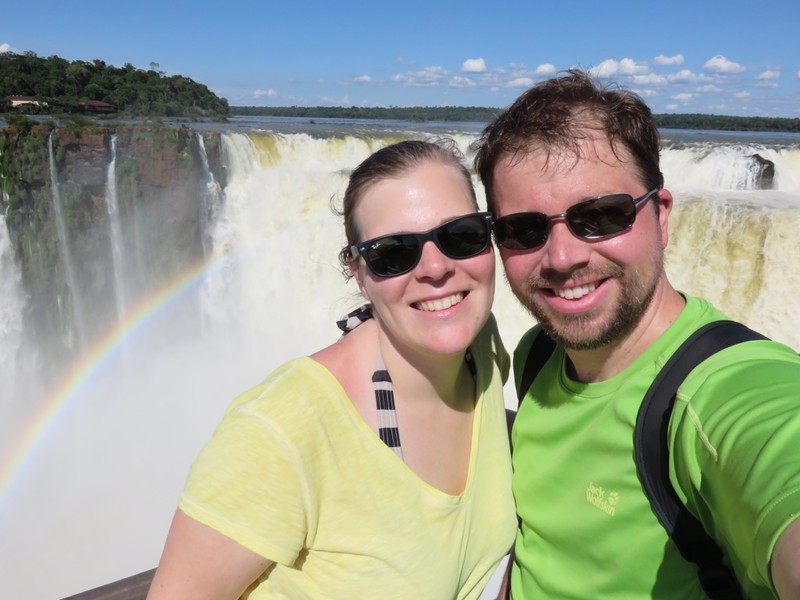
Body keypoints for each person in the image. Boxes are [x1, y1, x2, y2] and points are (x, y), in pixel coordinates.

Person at [473, 70, 800, 599]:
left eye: (601, 216)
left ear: (661, 215)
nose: (562, 258)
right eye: (525, 229)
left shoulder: (716, 397)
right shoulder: (538, 355)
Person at [147, 139, 516, 600]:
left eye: (461, 235)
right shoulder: (280, 432)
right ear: (359, 274)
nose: (437, 268)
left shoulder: (481, 347)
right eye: (393, 253)